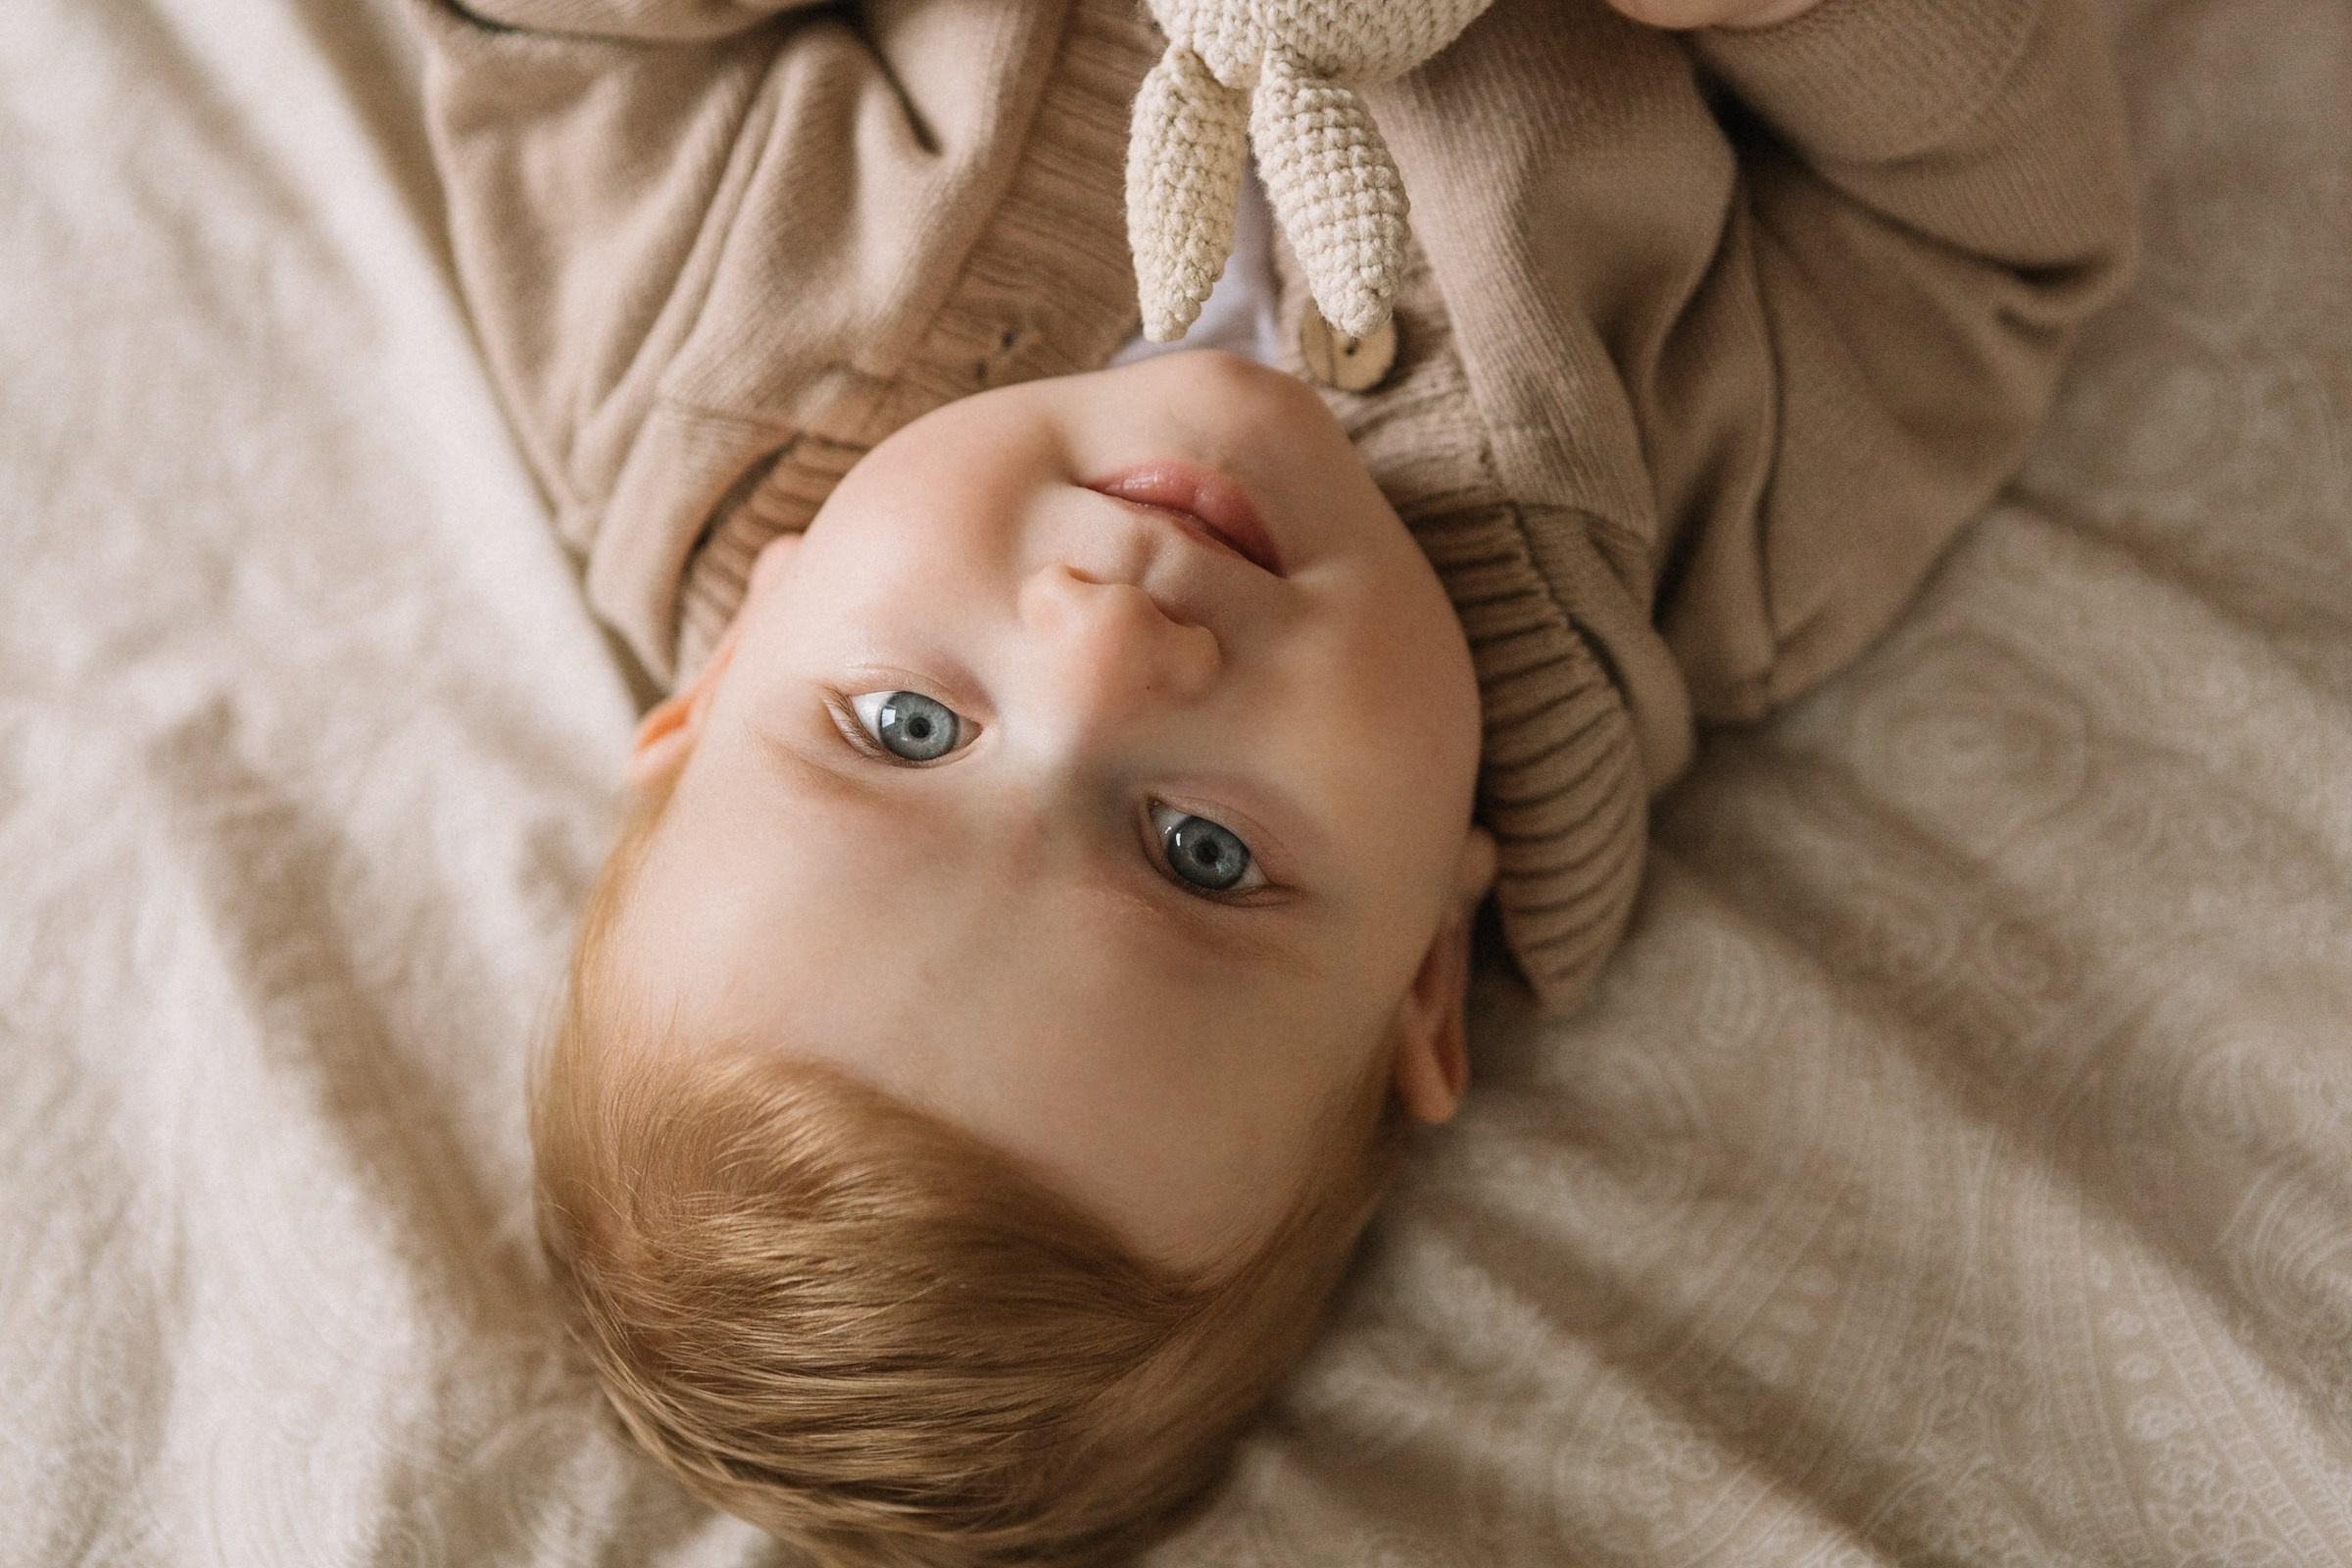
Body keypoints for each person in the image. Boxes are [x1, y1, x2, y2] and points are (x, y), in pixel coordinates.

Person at [408, 0, 2135, 1561]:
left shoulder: (704, 373)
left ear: (715, 685)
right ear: (1426, 977)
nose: (1112, 647)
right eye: (1199, 851)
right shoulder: (1710, 544)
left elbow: (548, 43)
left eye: (906, 731)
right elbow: (1987, 237)